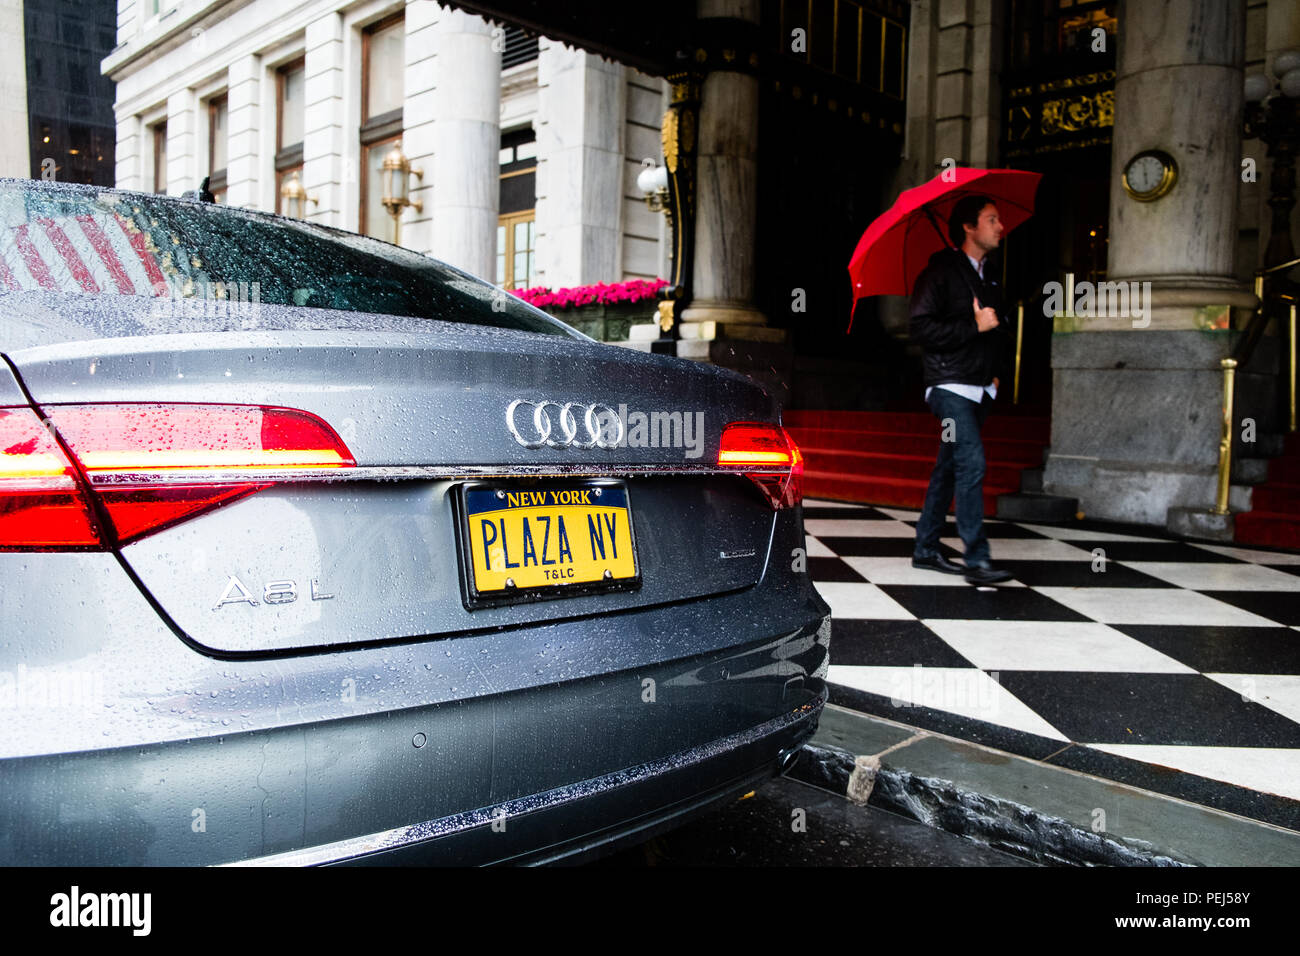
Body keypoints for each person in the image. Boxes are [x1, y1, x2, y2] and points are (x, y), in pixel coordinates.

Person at [908, 194, 1014, 585]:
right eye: (991, 219)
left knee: (949, 468)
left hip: (981, 387)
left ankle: (926, 549)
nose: (1000, 226)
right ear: (969, 227)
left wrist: (997, 374)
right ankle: (977, 559)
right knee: (972, 462)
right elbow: (919, 329)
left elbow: (998, 331)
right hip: (948, 384)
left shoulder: (988, 275)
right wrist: (975, 327)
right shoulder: (939, 274)